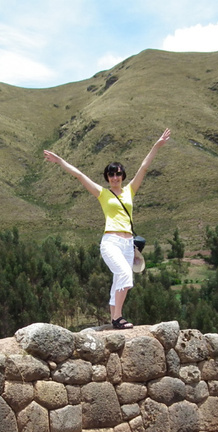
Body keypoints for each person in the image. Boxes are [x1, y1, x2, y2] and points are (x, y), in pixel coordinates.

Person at [43, 128, 171, 329]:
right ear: (107, 177)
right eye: (111, 174)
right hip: (111, 241)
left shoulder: (130, 190)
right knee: (125, 275)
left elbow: (144, 167)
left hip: (128, 243)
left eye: (118, 174)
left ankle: (114, 317)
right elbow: (80, 176)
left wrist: (157, 145)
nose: (115, 177)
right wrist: (60, 161)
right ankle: (117, 318)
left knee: (119, 280)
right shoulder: (103, 194)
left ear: (122, 175)